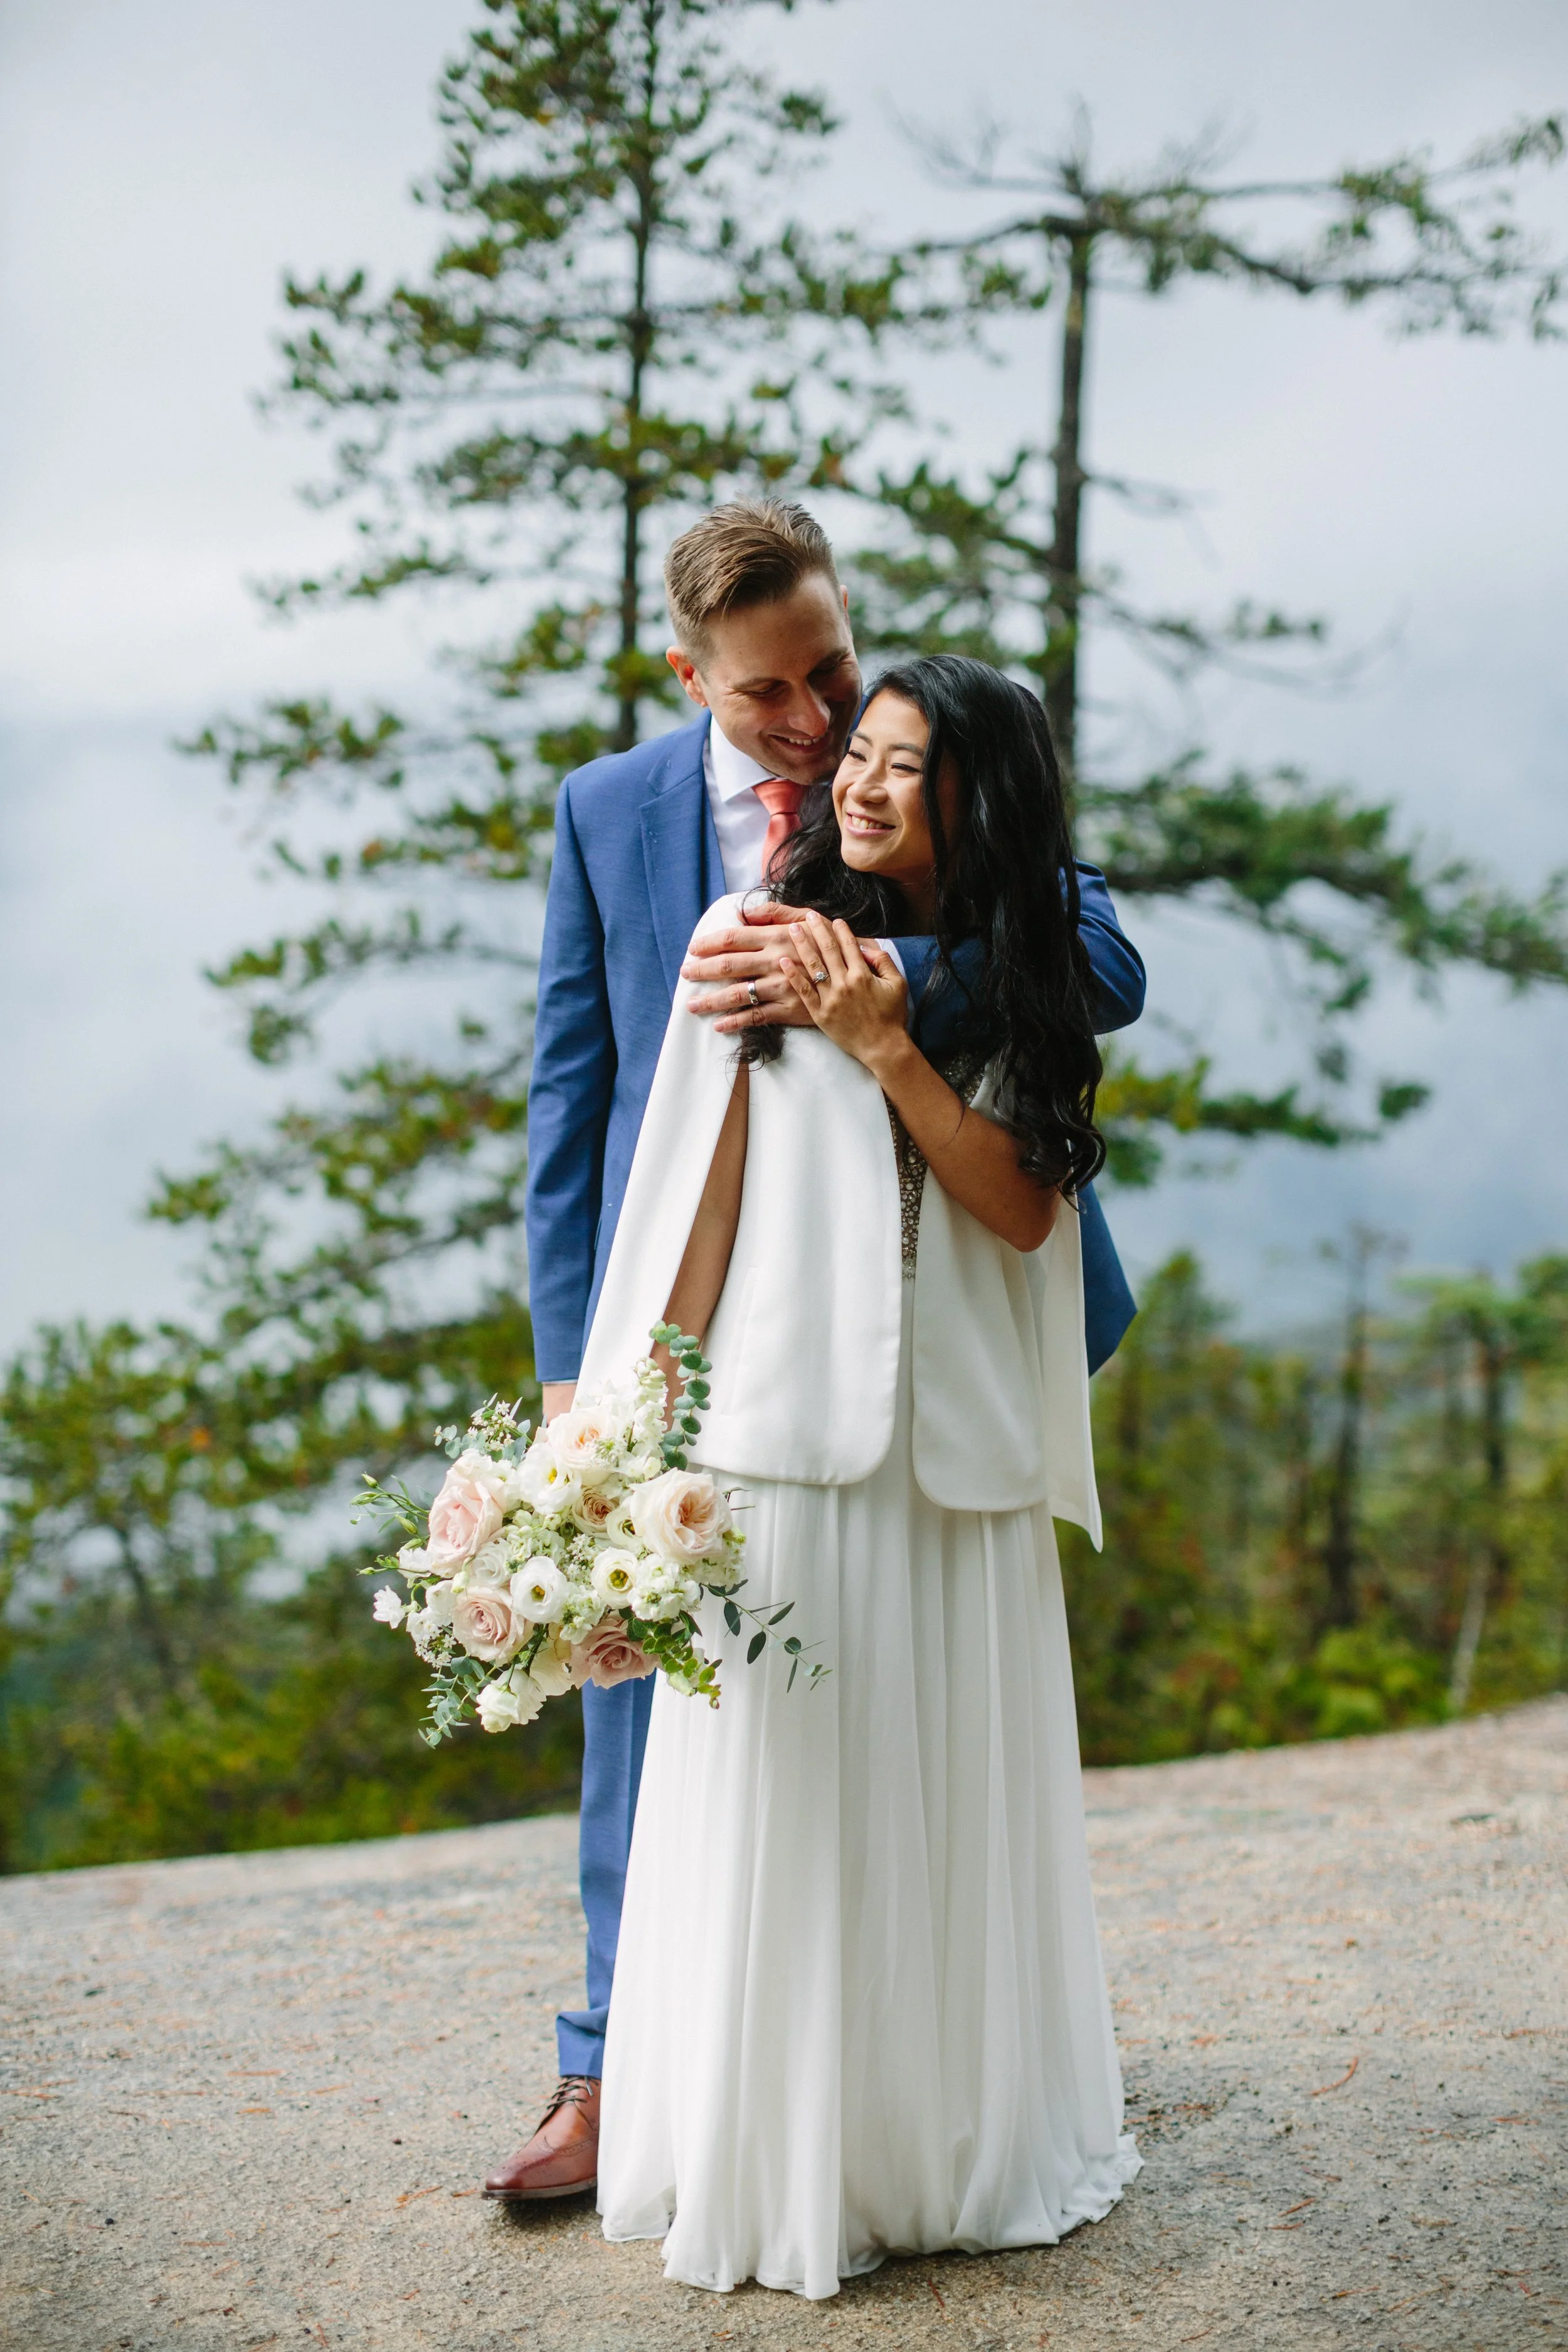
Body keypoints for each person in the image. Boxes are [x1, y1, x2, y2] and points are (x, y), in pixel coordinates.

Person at [484, 502, 1145, 2203]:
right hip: (721, 1324)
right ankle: (613, 2064)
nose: (817, 723)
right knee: (651, 1707)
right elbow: (582, 1106)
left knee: (917, 1723)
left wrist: (873, 983)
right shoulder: (611, 814)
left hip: (947, 1330)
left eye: (833, 674)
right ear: (690, 674)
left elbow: (1093, 962)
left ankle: (918, 2082)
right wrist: (589, 1385)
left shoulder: (940, 761)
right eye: (773, 692)